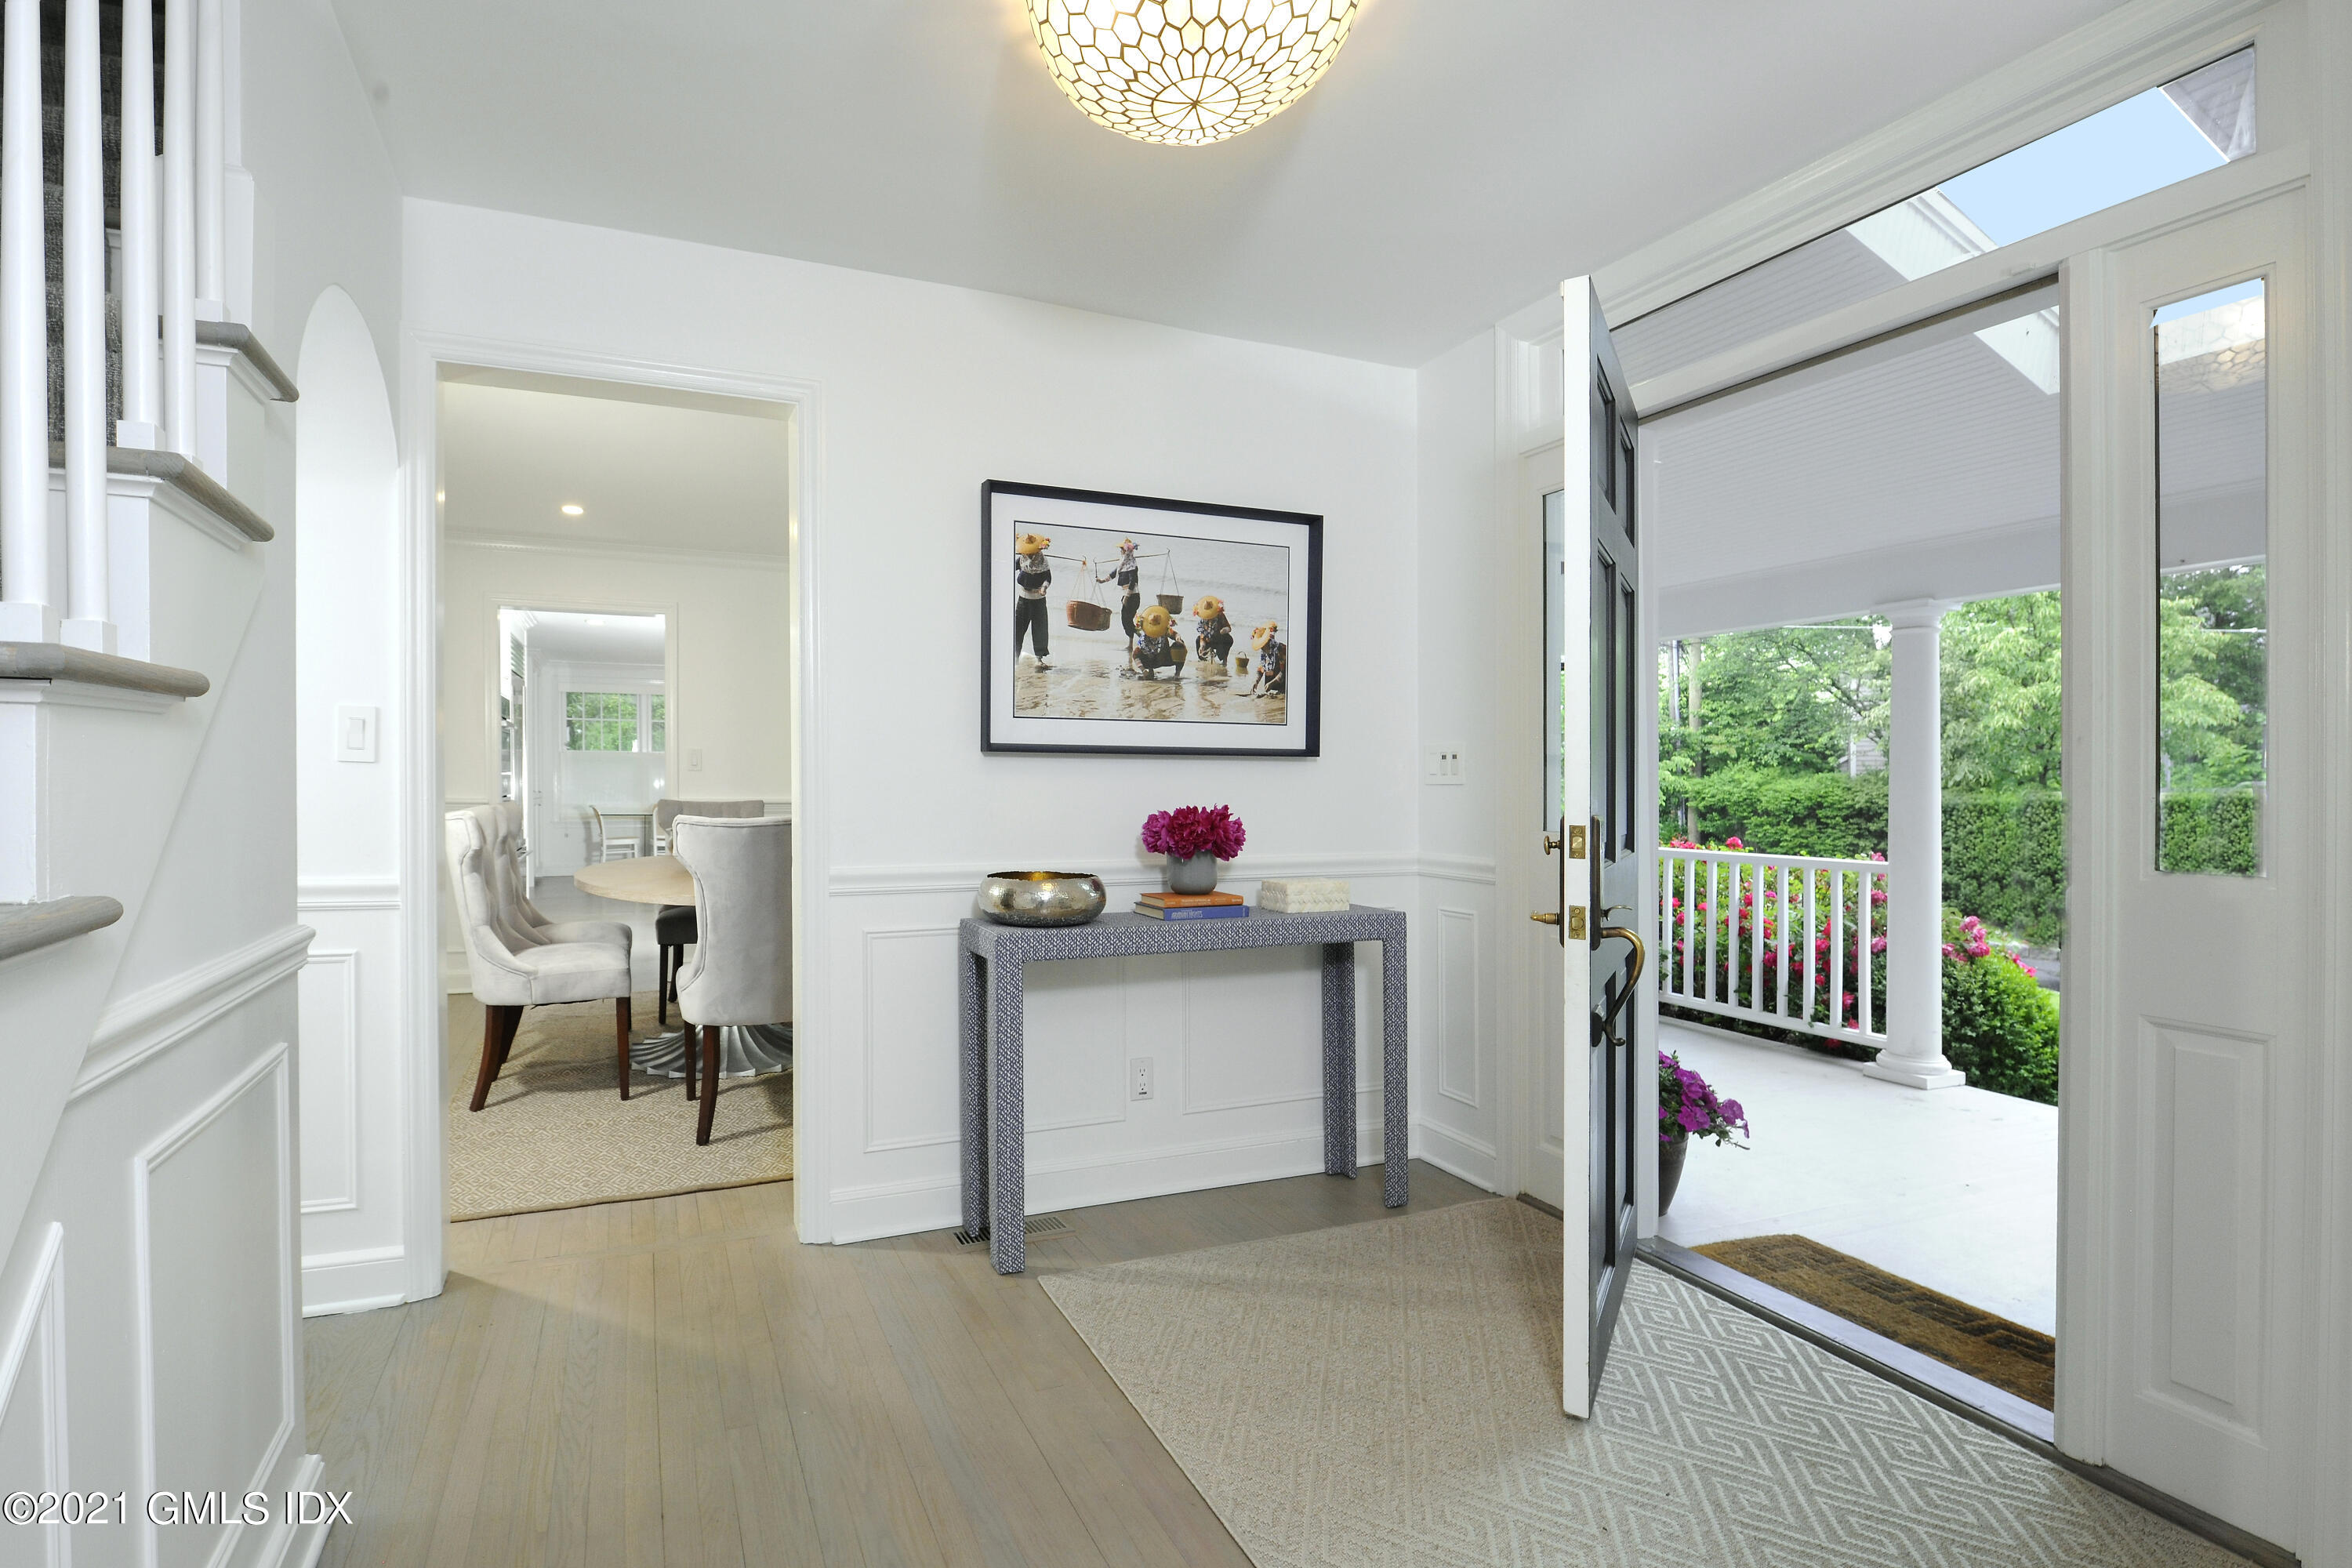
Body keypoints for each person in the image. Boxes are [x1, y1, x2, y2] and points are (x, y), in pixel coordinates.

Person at [1011, 532, 1053, 668]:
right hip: (1023, 599)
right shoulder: (1022, 560)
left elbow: (1048, 578)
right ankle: (1015, 658)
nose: (1028, 555)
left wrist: (1044, 587)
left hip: (1039, 600)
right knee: (1018, 629)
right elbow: (1009, 567)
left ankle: (1039, 659)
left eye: (1031, 553)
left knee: (1040, 629)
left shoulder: (1043, 561)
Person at [1127, 603, 1188, 681]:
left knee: (1180, 645)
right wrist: (1143, 670)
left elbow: (1175, 634)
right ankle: (1148, 671)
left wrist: (1178, 639)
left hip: (1164, 658)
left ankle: (1177, 674)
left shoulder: (1164, 630)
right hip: (1150, 661)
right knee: (1136, 652)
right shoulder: (1145, 635)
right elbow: (1136, 655)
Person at [1098, 538, 1142, 641]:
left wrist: (1127, 597)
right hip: (1128, 595)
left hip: (1133, 596)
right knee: (1126, 620)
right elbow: (1114, 573)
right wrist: (1102, 581)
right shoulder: (1123, 563)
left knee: (1126, 620)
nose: (1120, 551)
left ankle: (1141, 638)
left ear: (1127, 551)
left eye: (1122, 549)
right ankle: (1134, 642)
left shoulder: (1132, 564)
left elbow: (1132, 582)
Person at [1192, 594, 1233, 673]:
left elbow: (1229, 628)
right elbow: (1202, 636)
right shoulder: (1203, 620)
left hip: (1219, 639)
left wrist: (1224, 630)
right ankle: (1202, 659)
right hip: (1208, 640)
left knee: (1229, 639)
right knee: (1198, 640)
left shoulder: (1220, 615)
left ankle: (1224, 659)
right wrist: (1202, 646)